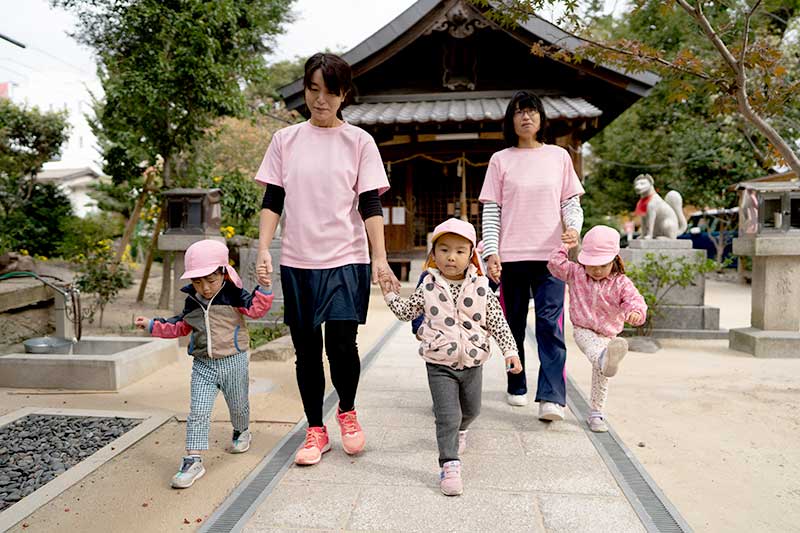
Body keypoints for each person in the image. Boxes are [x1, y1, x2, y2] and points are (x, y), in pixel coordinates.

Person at [253, 52, 401, 466]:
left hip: (345, 257)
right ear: (305, 90)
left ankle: (347, 413)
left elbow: (370, 203)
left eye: (330, 92)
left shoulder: (359, 142)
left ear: (344, 94)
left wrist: (381, 259)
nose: (320, 100)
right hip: (298, 259)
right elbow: (272, 199)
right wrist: (265, 248)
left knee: (341, 345)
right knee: (305, 350)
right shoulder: (286, 140)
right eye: (313, 90)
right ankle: (315, 430)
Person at [378, 218, 522, 496]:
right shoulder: (428, 286)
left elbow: (498, 322)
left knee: (472, 411)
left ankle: (462, 430)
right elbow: (408, 312)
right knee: (447, 416)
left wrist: (510, 351)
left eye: (459, 250)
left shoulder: (482, 287)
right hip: (439, 363)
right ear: (433, 254)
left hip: (472, 363)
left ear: (471, 255)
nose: (451, 257)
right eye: (444, 250)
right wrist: (390, 297)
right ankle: (449, 463)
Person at [479, 90, 585, 420]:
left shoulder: (559, 157)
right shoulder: (501, 160)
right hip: (511, 258)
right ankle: (517, 382)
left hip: (552, 257)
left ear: (541, 119)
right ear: (511, 120)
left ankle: (552, 396)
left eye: (532, 111)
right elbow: (492, 212)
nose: (526, 117)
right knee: (510, 325)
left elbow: (571, 202)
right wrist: (491, 252)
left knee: (549, 324)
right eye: (519, 112)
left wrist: (573, 228)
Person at [134, 239, 273, 488]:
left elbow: (256, 310)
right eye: (198, 281)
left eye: (210, 280)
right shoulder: (192, 301)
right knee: (198, 412)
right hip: (203, 365)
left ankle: (241, 431)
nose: (205, 288)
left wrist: (263, 288)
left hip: (234, 360)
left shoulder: (233, 295)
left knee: (238, 406)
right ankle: (193, 459)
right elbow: (180, 325)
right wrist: (153, 325)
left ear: (223, 272)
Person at [547, 225, 647, 432]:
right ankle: (604, 360)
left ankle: (596, 413)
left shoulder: (621, 283)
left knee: (602, 373)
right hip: (583, 328)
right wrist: (565, 245)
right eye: (592, 264)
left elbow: (635, 301)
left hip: (608, 335)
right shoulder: (576, 273)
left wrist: (635, 314)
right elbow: (554, 263)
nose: (597, 270)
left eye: (603, 264)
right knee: (600, 357)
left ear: (615, 260)